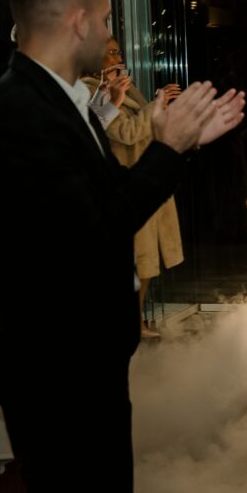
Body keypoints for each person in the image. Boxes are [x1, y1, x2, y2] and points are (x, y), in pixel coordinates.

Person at [0, 0, 245, 493]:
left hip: (81, 366)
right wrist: (168, 150)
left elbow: (109, 194)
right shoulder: (20, 112)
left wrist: (170, 142)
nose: (110, 34)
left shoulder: (55, 101)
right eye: (106, 20)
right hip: (59, 373)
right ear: (78, 20)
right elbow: (100, 226)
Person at [83, 37, 185, 338]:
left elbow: (146, 123)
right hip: (124, 179)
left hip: (144, 176)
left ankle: (135, 321)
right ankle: (131, 324)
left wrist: (159, 104)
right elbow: (126, 132)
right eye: (111, 51)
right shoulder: (90, 90)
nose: (118, 56)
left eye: (118, 50)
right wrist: (156, 105)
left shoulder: (124, 87)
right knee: (137, 259)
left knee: (147, 261)